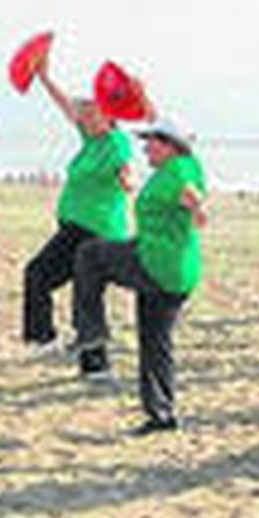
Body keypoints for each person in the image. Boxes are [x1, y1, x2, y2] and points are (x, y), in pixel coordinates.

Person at [73, 117, 208, 436]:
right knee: (154, 343)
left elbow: (189, 194)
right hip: (174, 270)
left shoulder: (177, 172)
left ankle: (91, 334)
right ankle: (161, 415)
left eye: (151, 143)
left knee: (89, 255)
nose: (145, 149)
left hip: (157, 264)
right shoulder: (186, 164)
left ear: (170, 147)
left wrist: (198, 209)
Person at [22, 57, 134, 351]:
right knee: (83, 286)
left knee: (38, 273)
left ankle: (44, 339)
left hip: (95, 229)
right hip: (76, 226)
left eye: (92, 113)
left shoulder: (116, 141)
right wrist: (44, 78)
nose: (85, 118)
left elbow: (124, 167)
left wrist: (126, 178)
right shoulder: (91, 140)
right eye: (84, 114)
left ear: (109, 116)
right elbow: (66, 107)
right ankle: (86, 338)